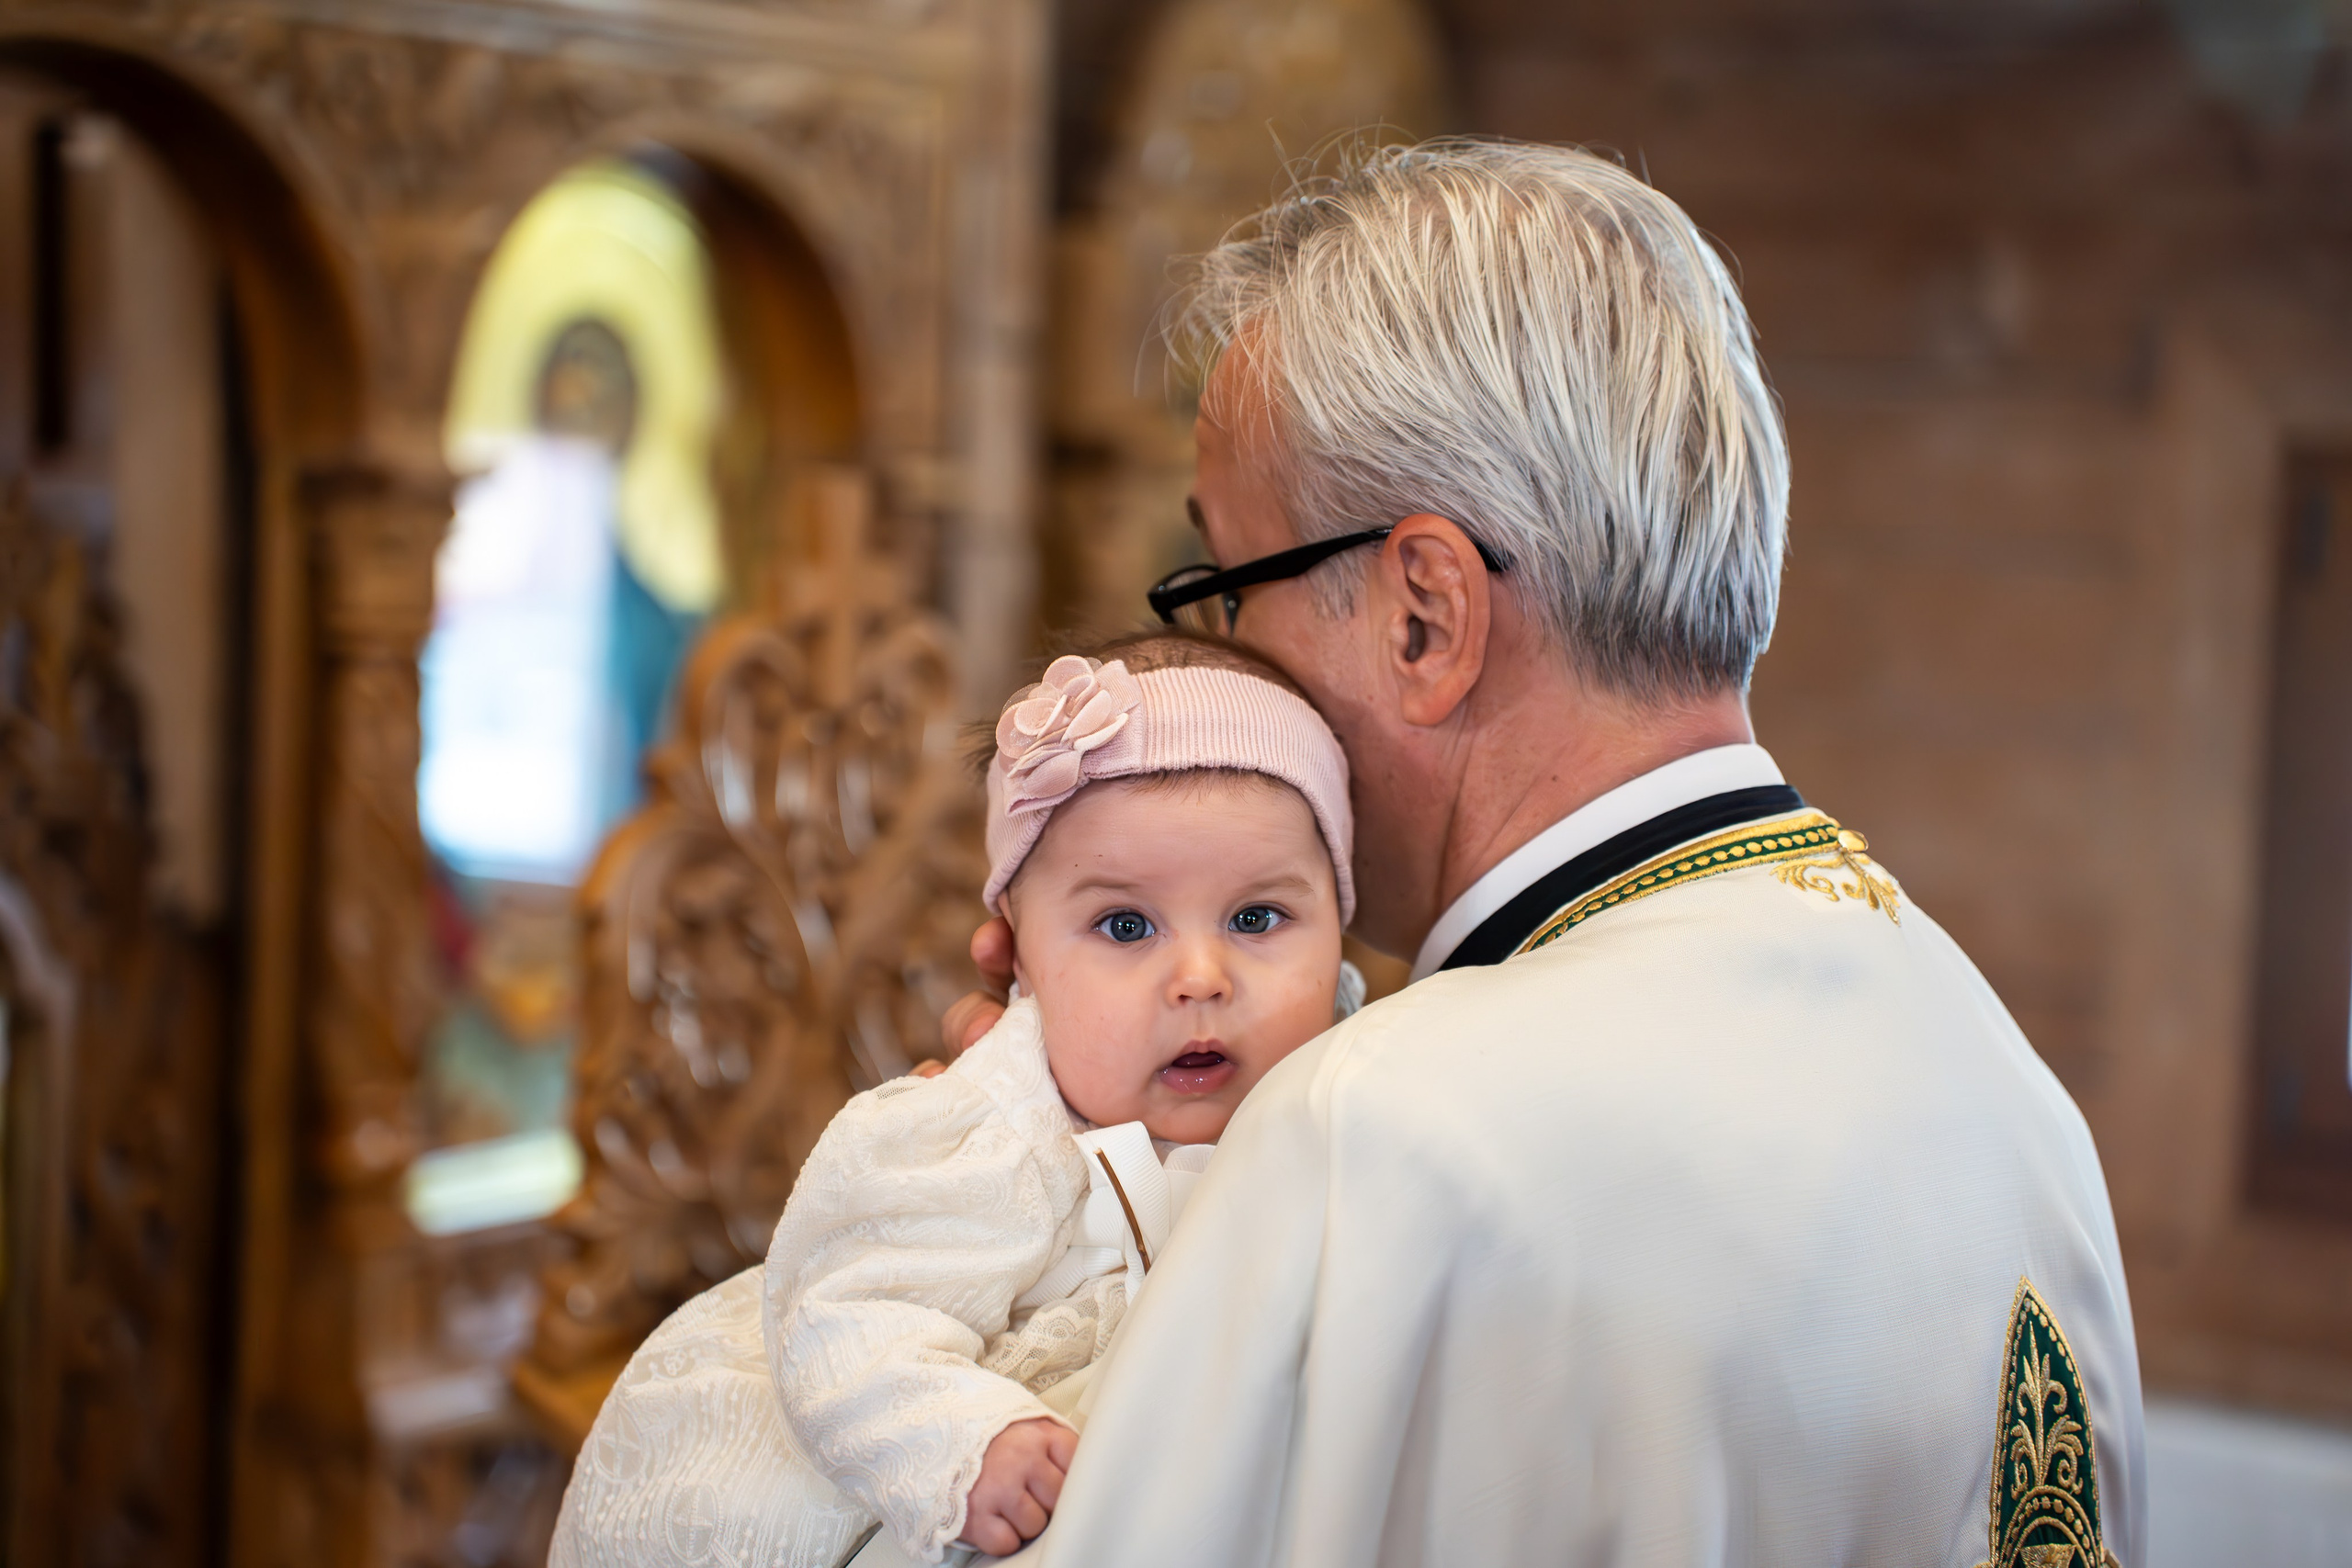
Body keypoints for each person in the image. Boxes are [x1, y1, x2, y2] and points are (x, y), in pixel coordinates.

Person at [947, 139, 2145, 1568]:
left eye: (1223, 594)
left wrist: (1030, 1256)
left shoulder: (1379, 1136)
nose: (1214, 681)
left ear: (1425, 617)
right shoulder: (2000, 1072)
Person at [549, 632, 1364, 1568]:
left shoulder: (1354, 1086)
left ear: (1338, 935)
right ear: (1016, 957)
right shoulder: (986, 1128)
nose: (1199, 976)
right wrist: (963, 1442)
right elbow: (845, 1315)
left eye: (1257, 918)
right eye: (1125, 925)